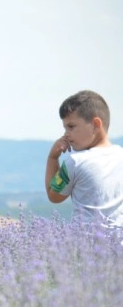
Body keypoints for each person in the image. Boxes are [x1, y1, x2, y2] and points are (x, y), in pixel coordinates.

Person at [46, 90, 123, 230]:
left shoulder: (75, 161)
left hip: (86, 245)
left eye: (71, 126)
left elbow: (54, 195)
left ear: (95, 125)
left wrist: (52, 158)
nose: (66, 134)